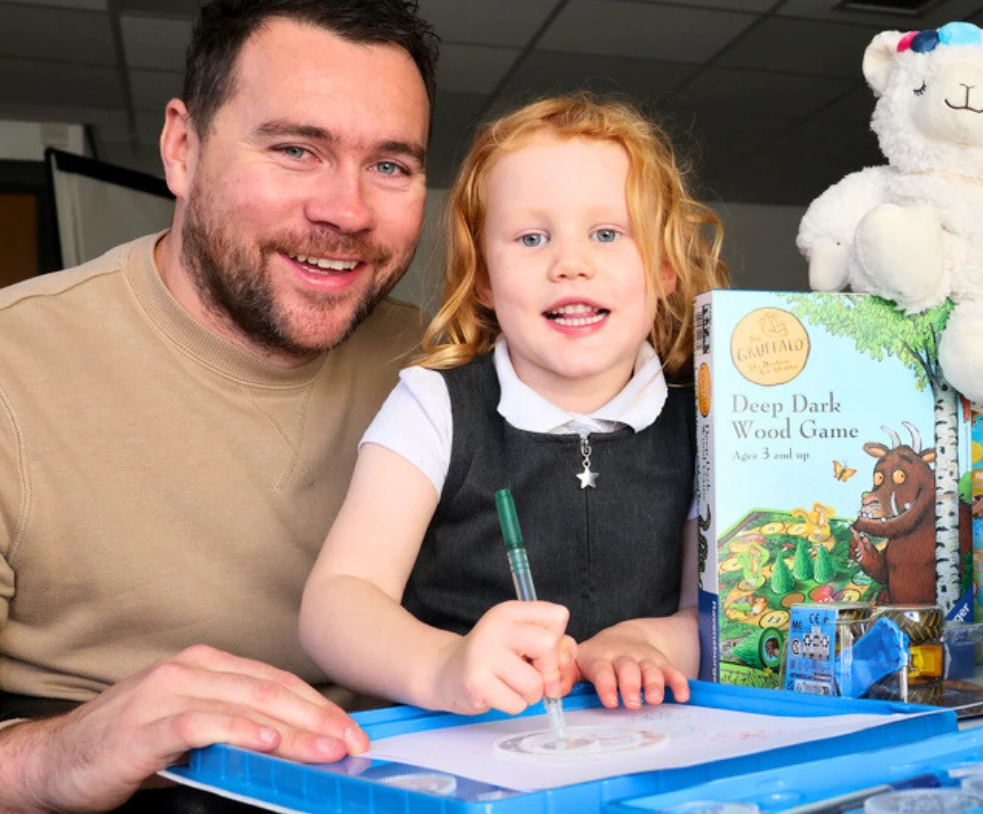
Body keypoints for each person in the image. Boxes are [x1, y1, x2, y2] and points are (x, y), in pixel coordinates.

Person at [0, 0, 438, 812]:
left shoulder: (454, 366)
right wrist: (59, 756)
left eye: (391, 166)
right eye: (297, 149)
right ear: (182, 149)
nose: (348, 210)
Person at [299, 95, 727, 717]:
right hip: (458, 755)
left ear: (663, 267)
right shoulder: (433, 406)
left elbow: (714, 612)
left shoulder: (708, 422)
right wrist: (441, 666)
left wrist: (648, 640)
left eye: (607, 234)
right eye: (531, 237)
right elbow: (339, 599)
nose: (570, 264)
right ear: (484, 280)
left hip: (640, 752)